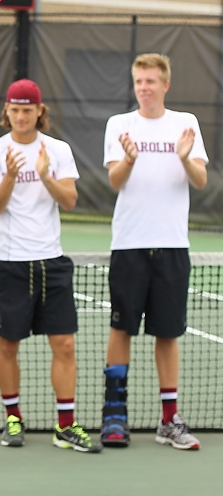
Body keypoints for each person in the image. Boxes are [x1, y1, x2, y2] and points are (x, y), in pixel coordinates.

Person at [0, 79, 101, 453]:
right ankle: (13, 419)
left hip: (52, 263)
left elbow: (69, 201)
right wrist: (12, 176)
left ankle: (65, 425)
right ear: (7, 111)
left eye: (27, 110)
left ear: (39, 111)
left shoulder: (58, 151)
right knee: (8, 345)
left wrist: (45, 174)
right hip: (10, 263)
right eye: (14, 110)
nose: (20, 116)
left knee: (64, 344)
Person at [101, 53, 207, 451]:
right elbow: (115, 180)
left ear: (166, 85)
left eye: (151, 81)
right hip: (129, 243)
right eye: (139, 81)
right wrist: (129, 157)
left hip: (173, 245)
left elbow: (200, 179)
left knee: (167, 332)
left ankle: (168, 420)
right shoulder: (119, 125)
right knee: (121, 328)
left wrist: (184, 157)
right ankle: (114, 415)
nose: (144, 87)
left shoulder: (186, 124)